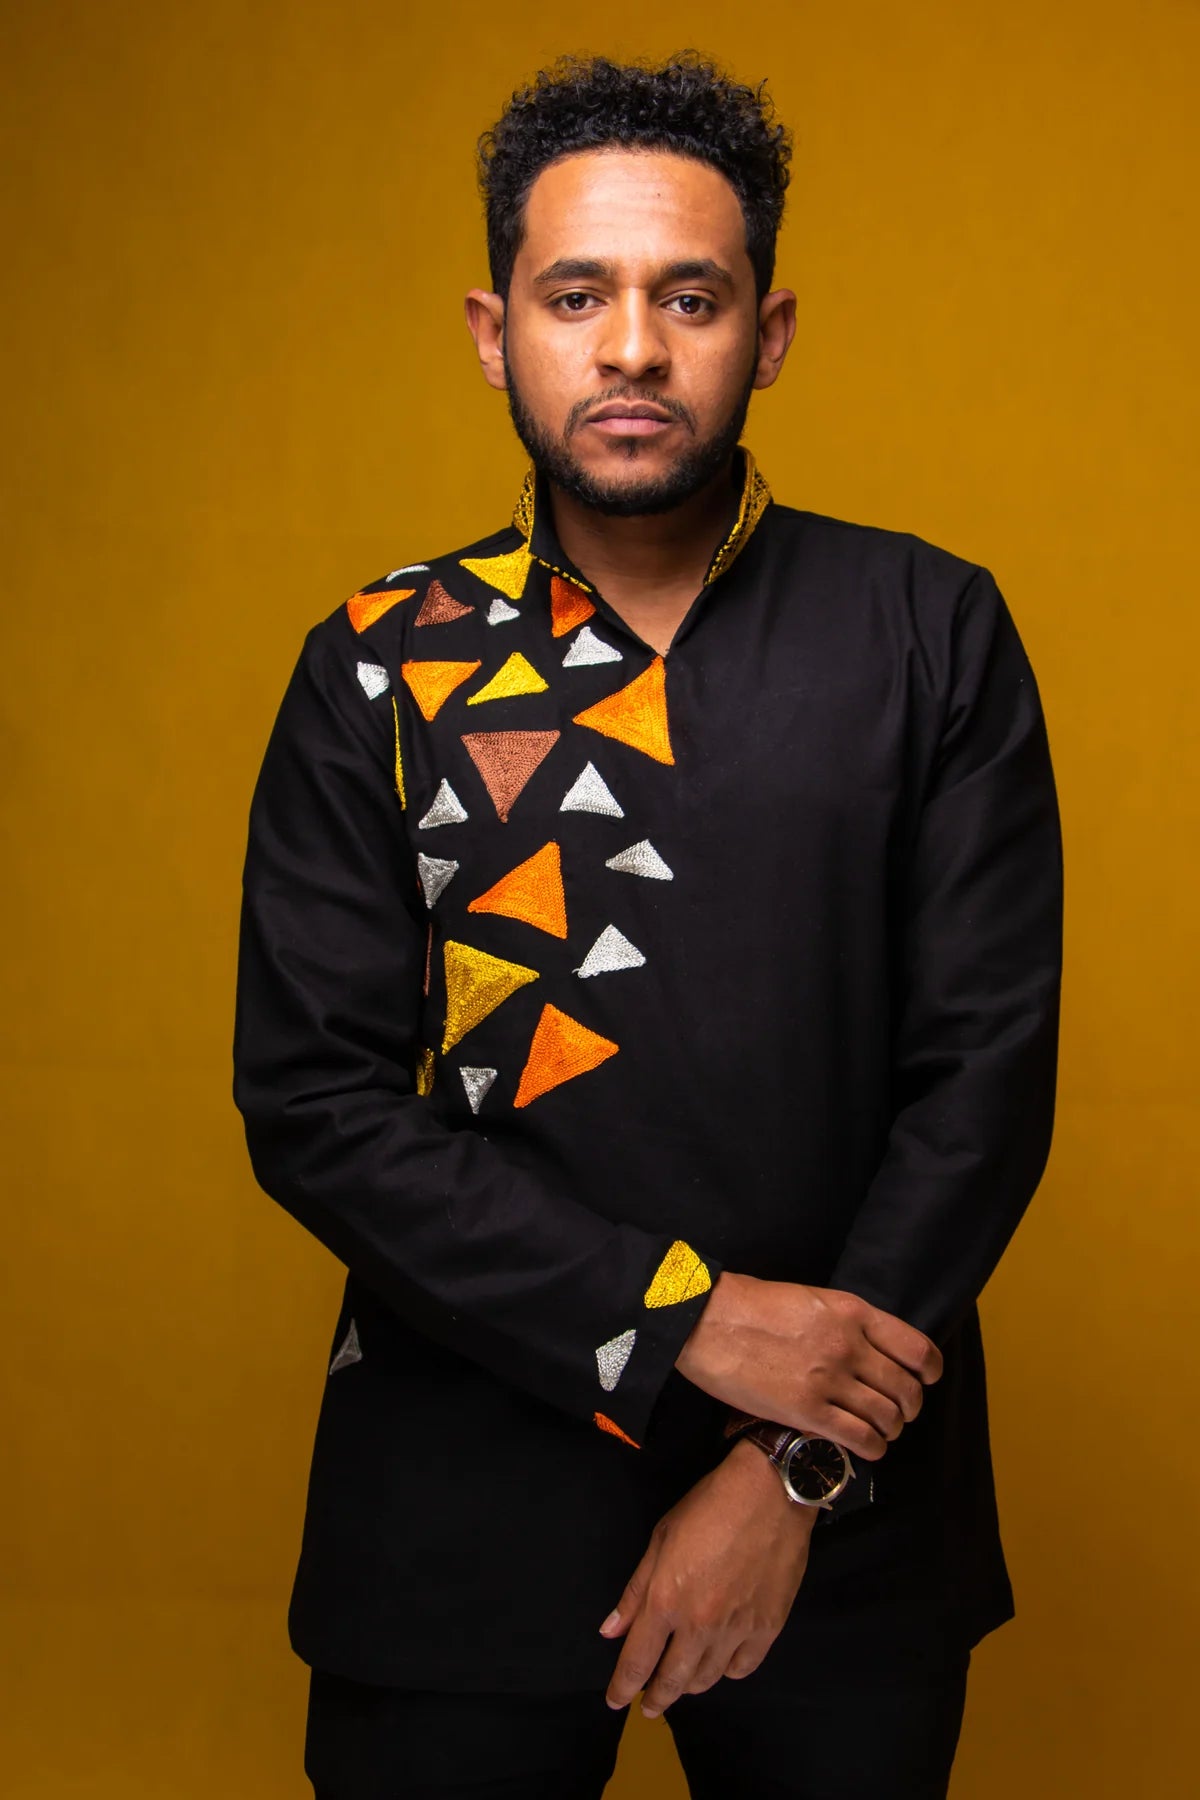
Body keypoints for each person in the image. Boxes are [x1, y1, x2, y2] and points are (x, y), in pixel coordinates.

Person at [232, 51, 1063, 1800]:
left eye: (688, 296)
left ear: (764, 332)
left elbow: (981, 1086)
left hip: (841, 1519)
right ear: (492, 328)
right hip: (459, 1512)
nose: (630, 349)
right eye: (575, 294)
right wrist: (682, 1315)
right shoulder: (380, 660)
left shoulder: (928, 631)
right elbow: (312, 1107)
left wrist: (788, 1471)